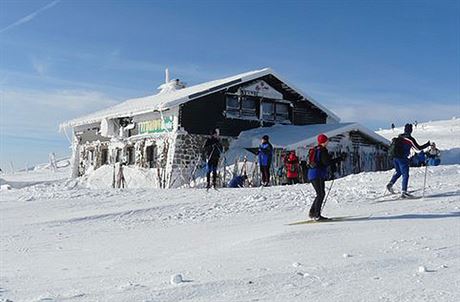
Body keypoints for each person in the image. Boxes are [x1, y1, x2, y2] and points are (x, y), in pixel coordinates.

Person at [386, 123, 430, 198]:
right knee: (405, 174)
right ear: (411, 130)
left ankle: (390, 184)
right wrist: (427, 144)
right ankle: (404, 192)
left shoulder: (400, 137)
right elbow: (418, 148)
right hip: (403, 158)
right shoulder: (410, 139)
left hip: (395, 157)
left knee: (398, 172)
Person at [308, 134, 345, 221]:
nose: (328, 142)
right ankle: (316, 215)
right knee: (321, 194)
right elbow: (326, 163)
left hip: (312, 173)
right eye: (327, 140)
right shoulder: (322, 150)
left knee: (319, 194)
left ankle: (313, 212)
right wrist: (339, 159)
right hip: (318, 174)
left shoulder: (315, 149)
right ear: (324, 141)